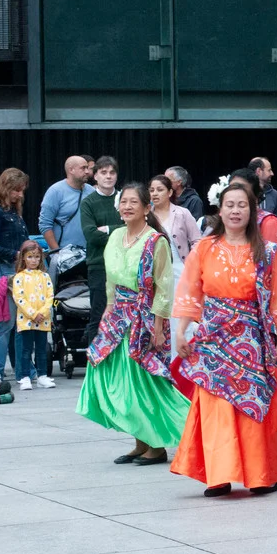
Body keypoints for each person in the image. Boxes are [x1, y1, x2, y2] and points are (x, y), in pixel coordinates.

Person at [171, 184, 277, 496]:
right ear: (220, 210)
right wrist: (181, 330)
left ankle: (261, 474)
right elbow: (190, 289)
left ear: (252, 210)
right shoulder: (205, 248)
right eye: (230, 204)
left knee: (254, 403)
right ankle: (219, 474)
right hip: (212, 338)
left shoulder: (266, 251)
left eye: (242, 205)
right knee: (216, 405)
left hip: (252, 338)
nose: (235, 211)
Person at [76, 182, 190, 465]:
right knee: (117, 378)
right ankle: (139, 441)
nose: (126, 207)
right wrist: (109, 310)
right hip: (118, 317)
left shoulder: (155, 241)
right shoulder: (116, 236)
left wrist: (159, 326)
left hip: (145, 317)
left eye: (133, 202)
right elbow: (110, 279)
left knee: (142, 383)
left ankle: (157, 445)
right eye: (123, 202)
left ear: (147, 208)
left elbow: (164, 287)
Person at [227, 168, 277, 450]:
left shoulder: (268, 223)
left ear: (255, 195)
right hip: (241, 310)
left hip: (270, 305)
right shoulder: (232, 226)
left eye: (241, 190)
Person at [0, 168, 30, 379]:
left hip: (19, 270)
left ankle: (23, 370)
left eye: (22, 190)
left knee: (20, 323)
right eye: (16, 190)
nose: (20, 195)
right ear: (6, 188)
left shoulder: (13, 212)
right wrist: (16, 254)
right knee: (4, 323)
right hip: (5, 271)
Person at [81, 156, 123, 347]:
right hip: (99, 265)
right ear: (95, 176)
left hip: (124, 265)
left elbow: (134, 229)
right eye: (103, 172)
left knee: (123, 315)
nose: (108, 176)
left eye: (112, 172)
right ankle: (94, 361)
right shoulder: (88, 202)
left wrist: (107, 229)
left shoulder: (125, 199)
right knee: (98, 315)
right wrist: (120, 233)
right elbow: (91, 235)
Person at [11, 241, 55, 391]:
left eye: (37, 257)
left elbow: (50, 297)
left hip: (43, 320)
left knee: (41, 348)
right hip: (26, 321)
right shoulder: (19, 277)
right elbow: (19, 299)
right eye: (30, 257)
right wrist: (33, 314)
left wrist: (43, 313)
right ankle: (25, 377)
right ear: (23, 258)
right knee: (26, 349)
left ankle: (42, 376)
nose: (34, 260)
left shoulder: (45, 276)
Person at [39, 155, 95, 250]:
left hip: (89, 253)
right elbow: (44, 225)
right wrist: (57, 252)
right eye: (83, 168)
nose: (87, 171)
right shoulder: (55, 191)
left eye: (87, 168)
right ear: (71, 170)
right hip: (63, 254)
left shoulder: (92, 191)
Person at [149, 176, 201, 261]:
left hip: (181, 266)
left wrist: (191, 261)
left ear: (170, 192)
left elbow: (197, 241)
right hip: (155, 267)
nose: (154, 193)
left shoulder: (182, 213)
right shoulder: (146, 216)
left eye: (160, 190)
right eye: (151, 190)